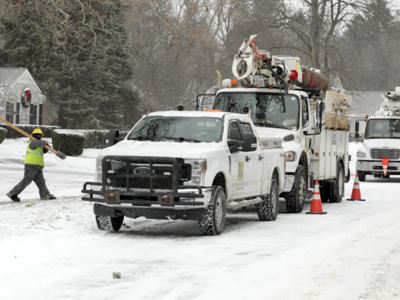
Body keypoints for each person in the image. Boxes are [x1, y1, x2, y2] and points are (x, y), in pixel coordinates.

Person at [7, 128, 56, 202]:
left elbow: (43, 151)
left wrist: (47, 148)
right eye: (37, 136)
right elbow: (39, 143)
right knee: (26, 181)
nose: (39, 137)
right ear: (33, 136)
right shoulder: (33, 142)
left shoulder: (38, 144)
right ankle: (12, 193)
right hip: (31, 166)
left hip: (37, 166)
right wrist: (44, 142)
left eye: (40, 136)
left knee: (41, 182)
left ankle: (45, 195)